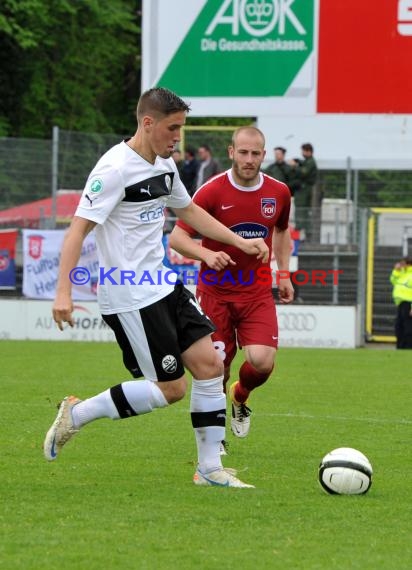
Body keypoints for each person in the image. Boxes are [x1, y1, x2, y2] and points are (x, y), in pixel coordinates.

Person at [43, 87, 270, 489]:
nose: (178, 137)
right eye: (173, 128)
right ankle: (76, 415)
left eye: (181, 127)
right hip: (130, 294)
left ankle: (209, 469)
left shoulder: (165, 166)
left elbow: (189, 211)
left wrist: (238, 241)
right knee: (171, 389)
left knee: (210, 366)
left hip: (164, 284)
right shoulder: (114, 169)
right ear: (147, 123)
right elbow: (78, 229)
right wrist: (63, 291)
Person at [169, 126, 294, 441]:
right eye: (243, 152)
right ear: (231, 152)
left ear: (263, 155)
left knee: (262, 362)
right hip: (215, 294)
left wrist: (284, 273)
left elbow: (280, 232)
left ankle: (241, 395)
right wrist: (206, 256)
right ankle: (215, 440)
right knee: (216, 370)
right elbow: (178, 238)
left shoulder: (279, 192)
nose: (249, 159)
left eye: (255, 153)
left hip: (256, 291)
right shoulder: (211, 191)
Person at [289, 143, 318, 239]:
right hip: (302, 190)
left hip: (305, 191)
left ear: (308, 151)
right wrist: (299, 162)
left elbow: (303, 172)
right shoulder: (307, 161)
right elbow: (303, 165)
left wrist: (295, 166)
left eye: (304, 151)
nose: (302, 153)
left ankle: (303, 236)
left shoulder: (311, 162)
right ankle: (300, 235)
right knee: (300, 212)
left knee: (302, 212)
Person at [390, 257, 412, 349]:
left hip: (409, 304)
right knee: (399, 327)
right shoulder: (403, 273)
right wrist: (396, 271)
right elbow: (393, 281)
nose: (400, 266)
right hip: (400, 304)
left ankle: (408, 348)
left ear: (408, 264)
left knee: (408, 328)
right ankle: (400, 348)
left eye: (402, 264)